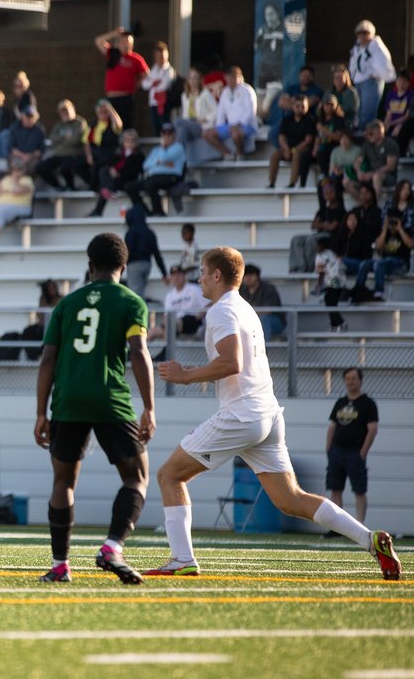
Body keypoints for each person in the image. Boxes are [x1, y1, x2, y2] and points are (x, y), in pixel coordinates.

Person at [152, 246, 402, 580]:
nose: (198, 276)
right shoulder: (245, 308)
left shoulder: (221, 310)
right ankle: (370, 540)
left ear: (216, 275)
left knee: (170, 475)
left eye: (202, 270)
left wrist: (185, 375)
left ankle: (182, 559)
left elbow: (231, 362)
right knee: (290, 498)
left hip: (242, 415)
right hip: (267, 416)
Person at [30, 233, 155, 584]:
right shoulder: (132, 302)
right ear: (124, 266)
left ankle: (59, 566)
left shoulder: (66, 305)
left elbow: (47, 359)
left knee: (63, 482)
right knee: (136, 476)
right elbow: (139, 353)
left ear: (90, 265)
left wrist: (41, 412)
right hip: (110, 399)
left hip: (67, 400)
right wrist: (149, 407)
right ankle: (112, 546)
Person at [325, 368, 379, 527]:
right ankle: (336, 527)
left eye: (353, 378)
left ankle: (360, 526)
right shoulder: (340, 402)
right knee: (335, 489)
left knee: (359, 490)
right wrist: (329, 448)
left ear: (360, 380)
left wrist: (363, 452)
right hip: (337, 452)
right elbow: (332, 426)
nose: (350, 381)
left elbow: (373, 429)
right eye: (347, 378)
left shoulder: (367, 404)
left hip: (355, 453)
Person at [126, 123, 186, 216]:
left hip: (171, 177)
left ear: (173, 134)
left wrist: (162, 152)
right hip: (154, 176)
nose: (166, 136)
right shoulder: (156, 149)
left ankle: (158, 212)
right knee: (130, 187)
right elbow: (146, 165)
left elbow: (164, 158)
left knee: (151, 185)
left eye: (169, 133)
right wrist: (158, 162)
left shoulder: (178, 148)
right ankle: (144, 211)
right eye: (164, 133)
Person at [94, 27, 149, 128]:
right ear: (119, 43)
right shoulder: (112, 54)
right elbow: (98, 41)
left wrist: (137, 84)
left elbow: (147, 75)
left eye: (128, 42)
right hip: (111, 98)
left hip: (126, 98)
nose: (126, 44)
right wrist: (115, 33)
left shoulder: (137, 59)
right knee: (111, 126)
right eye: (123, 41)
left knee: (126, 124)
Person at [354, 206, 412, 300]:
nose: (392, 224)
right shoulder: (385, 232)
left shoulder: (406, 230)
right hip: (385, 263)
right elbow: (378, 246)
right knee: (365, 264)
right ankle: (358, 288)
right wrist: (384, 229)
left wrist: (400, 229)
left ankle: (378, 292)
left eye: (394, 221)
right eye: (390, 220)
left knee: (379, 263)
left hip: (401, 264)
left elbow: (410, 245)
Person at [203, 66, 258, 161]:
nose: (230, 80)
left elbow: (250, 111)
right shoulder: (225, 92)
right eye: (228, 77)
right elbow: (221, 112)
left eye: (233, 77)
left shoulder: (247, 90)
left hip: (246, 125)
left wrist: (239, 124)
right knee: (207, 134)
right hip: (230, 126)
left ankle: (241, 154)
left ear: (240, 78)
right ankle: (228, 154)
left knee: (235, 134)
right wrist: (219, 128)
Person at [349, 19, 396, 131]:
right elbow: (353, 64)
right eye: (360, 33)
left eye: (365, 33)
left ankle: (367, 132)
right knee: (358, 110)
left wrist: (375, 74)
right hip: (358, 82)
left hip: (371, 82)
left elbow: (384, 64)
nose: (362, 36)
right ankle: (359, 131)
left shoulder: (376, 46)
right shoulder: (357, 48)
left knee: (368, 110)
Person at [147, 265, 208, 345]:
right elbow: (166, 315)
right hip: (174, 324)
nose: (176, 277)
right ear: (171, 278)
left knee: (172, 324)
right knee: (152, 332)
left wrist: (199, 316)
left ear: (183, 275)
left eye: (179, 274)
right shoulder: (169, 295)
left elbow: (208, 304)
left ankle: (166, 353)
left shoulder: (194, 289)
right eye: (174, 275)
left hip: (192, 321)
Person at [267, 94, 317, 189]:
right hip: (288, 148)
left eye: (303, 106)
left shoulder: (310, 120)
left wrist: (294, 150)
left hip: (302, 149)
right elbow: (281, 137)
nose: (300, 109)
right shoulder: (287, 120)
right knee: (275, 155)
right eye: (297, 106)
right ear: (293, 106)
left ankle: (292, 183)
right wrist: (286, 149)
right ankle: (272, 183)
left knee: (297, 154)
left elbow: (308, 140)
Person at [38, 100, 90, 192]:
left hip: (73, 154)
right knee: (41, 168)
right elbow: (52, 139)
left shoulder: (80, 123)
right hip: (59, 154)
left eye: (66, 110)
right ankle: (58, 186)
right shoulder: (59, 124)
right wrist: (65, 137)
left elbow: (76, 140)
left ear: (72, 109)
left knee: (65, 168)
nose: (64, 113)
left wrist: (60, 141)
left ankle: (71, 187)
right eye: (62, 111)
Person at [123, 204, 167, 299]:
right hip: (147, 264)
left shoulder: (131, 232)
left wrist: (121, 266)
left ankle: (137, 313)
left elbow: (127, 250)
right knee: (140, 293)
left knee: (134, 295)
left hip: (134, 265)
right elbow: (157, 254)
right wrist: (164, 273)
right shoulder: (149, 232)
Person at [240, 263, 286, 341]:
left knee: (263, 319)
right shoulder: (242, 290)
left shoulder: (268, 289)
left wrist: (248, 314)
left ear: (257, 276)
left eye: (250, 275)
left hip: (274, 322)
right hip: (250, 321)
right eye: (245, 275)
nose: (248, 278)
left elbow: (267, 311)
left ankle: (262, 351)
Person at [142, 41, 176, 136]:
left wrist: (153, 83)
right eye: (158, 56)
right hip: (153, 102)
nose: (160, 59)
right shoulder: (154, 69)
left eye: (162, 56)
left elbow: (164, 86)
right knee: (156, 126)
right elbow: (145, 84)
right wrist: (155, 82)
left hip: (164, 103)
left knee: (165, 126)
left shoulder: (169, 70)